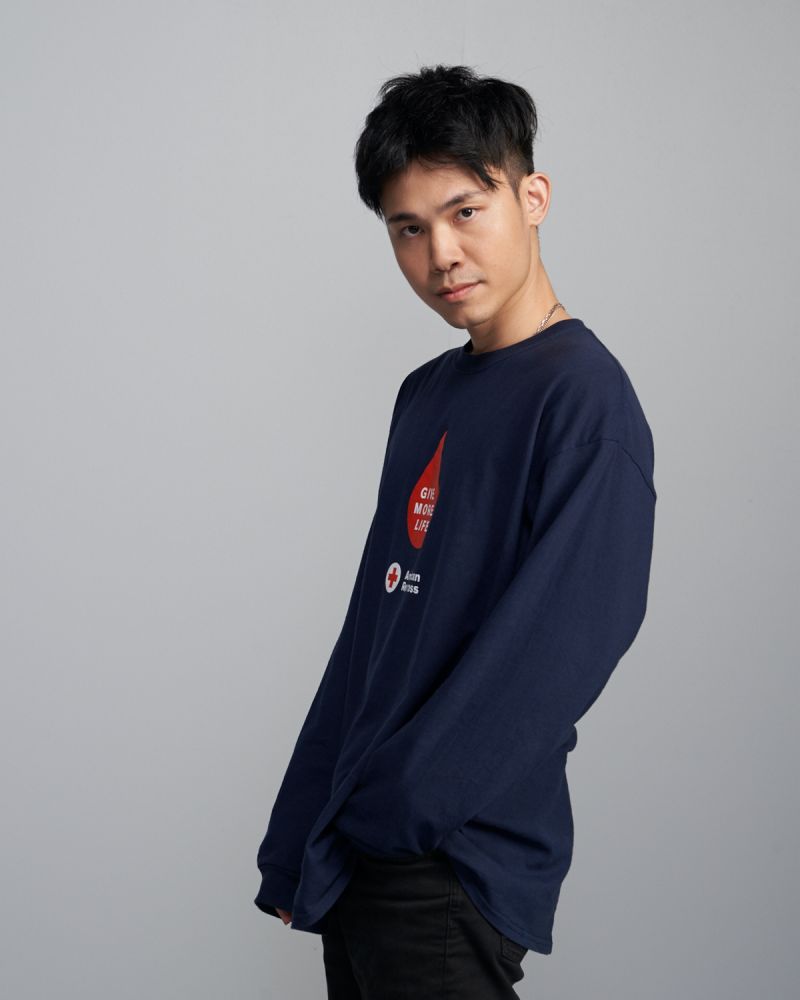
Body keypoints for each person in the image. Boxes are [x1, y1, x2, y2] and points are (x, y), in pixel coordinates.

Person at [254, 64, 657, 998]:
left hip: (448, 858)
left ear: (532, 198)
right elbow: (375, 631)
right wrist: (300, 828)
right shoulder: (426, 394)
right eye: (408, 228)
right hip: (361, 851)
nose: (441, 253)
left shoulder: (584, 401)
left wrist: (405, 810)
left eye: (466, 211)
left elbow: (569, 640)